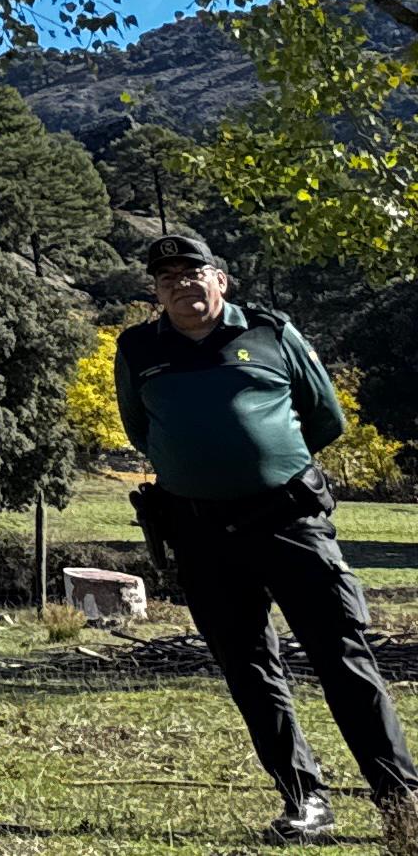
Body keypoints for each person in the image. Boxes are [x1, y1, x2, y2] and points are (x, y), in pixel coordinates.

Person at [120, 229, 418, 846]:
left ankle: (400, 800)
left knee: (344, 659)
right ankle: (305, 799)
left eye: (192, 272)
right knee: (250, 670)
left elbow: (325, 416)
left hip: (289, 523)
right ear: (156, 292)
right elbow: (140, 429)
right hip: (200, 531)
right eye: (167, 278)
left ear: (220, 280)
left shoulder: (269, 333)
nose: (181, 285)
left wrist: (265, 460)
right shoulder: (138, 348)